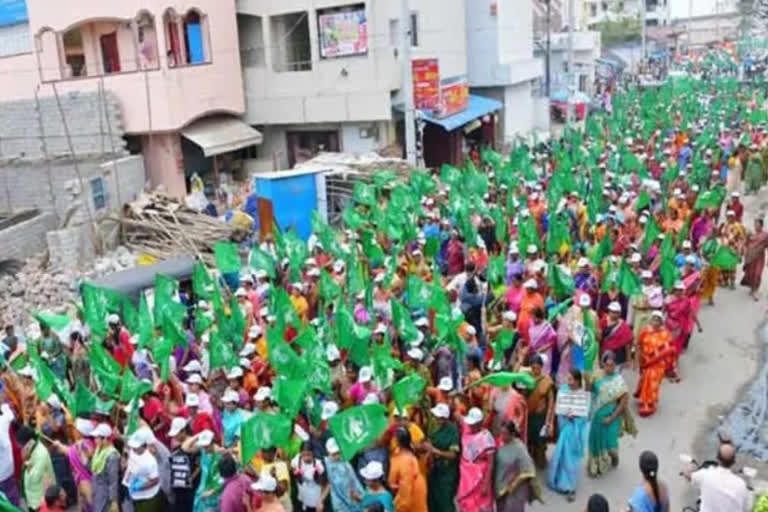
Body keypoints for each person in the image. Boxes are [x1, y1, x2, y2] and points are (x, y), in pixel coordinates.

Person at [587, 351, 634, 477]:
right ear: (603, 364)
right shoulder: (597, 376)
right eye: (607, 365)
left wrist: (611, 418)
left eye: (612, 365)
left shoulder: (619, 380)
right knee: (596, 443)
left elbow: (623, 402)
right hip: (598, 416)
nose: (610, 368)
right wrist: (589, 382)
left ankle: (614, 458)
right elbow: (590, 391)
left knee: (611, 446)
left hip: (613, 417)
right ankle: (595, 465)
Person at [548, 369, 589, 502]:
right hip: (565, 428)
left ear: (577, 381)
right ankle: (558, 480)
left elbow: (584, 417)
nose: (568, 382)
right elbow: (559, 407)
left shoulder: (582, 395)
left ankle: (571, 487)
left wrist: (574, 418)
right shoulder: (564, 390)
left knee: (571, 459)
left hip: (575, 432)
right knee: (561, 455)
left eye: (571, 379)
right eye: (568, 379)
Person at [685, 443, 751, 512]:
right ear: (733, 461)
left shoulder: (706, 475)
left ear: (717, 458)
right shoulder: (741, 485)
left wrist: (690, 466)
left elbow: (688, 475)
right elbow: (745, 507)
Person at [636, 311, 675, 417]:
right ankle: (643, 402)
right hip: (646, 362)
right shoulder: (645, 331)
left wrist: (669, 366)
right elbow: (639, 344)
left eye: (658, 320)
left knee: (653, 384)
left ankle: (649, 405)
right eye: (654, 319)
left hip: (658, 365)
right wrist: (639, 359)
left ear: (662, 322)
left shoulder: (666, 334)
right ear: (651, 320)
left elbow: (670, 349)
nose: (655, 322)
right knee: (645, 382)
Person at [494, 421, 539, 512]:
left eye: (505, 434)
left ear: (513, 434)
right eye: (501, 433)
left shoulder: (519, 448)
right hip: (501, 485)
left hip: (515, 489)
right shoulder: (500, 443)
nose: (502, 436)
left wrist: (514, 484)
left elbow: (528, 469)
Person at [457, 408, 496, 512]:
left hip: (479, 479)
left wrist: (486, 484)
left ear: (480, 423)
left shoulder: (486, 438)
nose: (471, 426)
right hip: (466, 477)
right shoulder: (466, 430)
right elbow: (457, 415)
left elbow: (491, 463)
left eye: (474, 424)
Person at [425, 403, 459, 512]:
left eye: (438, 417)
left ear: (444, 419)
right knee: (433, 500)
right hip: (434, 471)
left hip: (447, 473)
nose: (435, 419)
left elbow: (453, 454)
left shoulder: (453, 431)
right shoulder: (434, 427)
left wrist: (436, 451)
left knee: (445, 501)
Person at [387, 427, 427, 512]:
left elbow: (399, 484)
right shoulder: (405, 453)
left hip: (409, 489)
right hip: (418, 486)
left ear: (397, 441)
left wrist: (399, 506)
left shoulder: (401, 460)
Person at [526, 355, 555, 469]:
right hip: (529, 415)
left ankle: (541, 459)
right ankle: (530, 461)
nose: (535, 371)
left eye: (537, 368)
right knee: (530, 439)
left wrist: (549, 420)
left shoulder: (547, 381)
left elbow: (551, 402)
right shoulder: (526, 379)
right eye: (533, 368)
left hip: (541, 416)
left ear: (542, 367)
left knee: (540, 440)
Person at [125, 430, 164, 512]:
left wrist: (138, 486)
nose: (134, 448)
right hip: (135, 496)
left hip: (148, 497)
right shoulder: (132, 452)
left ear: (144, 446)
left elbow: (155, 480)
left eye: (137, 447)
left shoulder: (150, 460)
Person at [321, 438, 363, 512]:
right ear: (328, 452)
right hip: (338, 503)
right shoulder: (324, 464)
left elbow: (354, 481)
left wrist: (359, 495)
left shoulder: (346, 464)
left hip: (351, 500)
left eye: (338, 453)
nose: (337, 456)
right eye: (334, 454)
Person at [19, 425, 55, 511]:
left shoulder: (41, 454)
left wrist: (26, 462)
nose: (21, 446)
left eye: (22, 444)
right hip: (32, 497)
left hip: (40, 500)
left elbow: (34, 478)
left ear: (30, 441)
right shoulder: (31, 446)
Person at [91, 423, 120, 512]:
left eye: (97, 437)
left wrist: (113, 500)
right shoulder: (99, 449)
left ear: (105, 439)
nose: (95, 440)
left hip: (105, 492)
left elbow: (113, 480)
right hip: (97, 488)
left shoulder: (112, 455)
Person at [290, 442, 325, 512]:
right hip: (303, 496)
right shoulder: (297, 459)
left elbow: (323, 483)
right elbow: (292, 467)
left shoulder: (318, 465)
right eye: (303, 455)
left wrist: (321, 500)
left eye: (309, 455)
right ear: (300, 453)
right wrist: (295, 472)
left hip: (314, 498)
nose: (306, 458)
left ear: (313, 453)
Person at [741, 217, 768, 300]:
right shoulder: (751, 234)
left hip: (759, 258)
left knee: (757, 274)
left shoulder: (765, 235)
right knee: (751, 273)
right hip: (750, 257)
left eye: (757, 224)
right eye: (755, 224)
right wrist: (743, 252)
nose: (756, 226)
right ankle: (752, 288)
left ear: (761, 225)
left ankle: (755, 290)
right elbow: (745, 244)